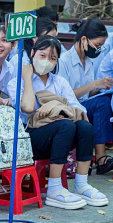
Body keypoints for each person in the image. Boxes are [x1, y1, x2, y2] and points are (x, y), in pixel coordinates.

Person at [12, 35, 107, 208]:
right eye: (42, 55)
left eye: (52, 58)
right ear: (32, 53)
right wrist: (27, 78)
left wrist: (57, 104)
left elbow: (81, 110)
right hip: (30, 138)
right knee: (66, 125)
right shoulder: (17, 82)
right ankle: (55, 188)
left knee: (84, 127)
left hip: (61, 136)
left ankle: (81, 183)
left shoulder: (60, 82)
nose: (47, 61)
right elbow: (26, 108)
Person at [57, 19, 113, 174]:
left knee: (106, 99)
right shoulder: (64, 61)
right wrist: (95, 84)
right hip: (67, 109)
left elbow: (88, 93)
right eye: (97, 46)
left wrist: (103, 86)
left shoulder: (88, 62)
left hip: (83, 105)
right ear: (83, 40)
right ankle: (101, 157)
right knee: (102, 102)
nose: (98, 50)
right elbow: (64, 96)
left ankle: (100, 157)